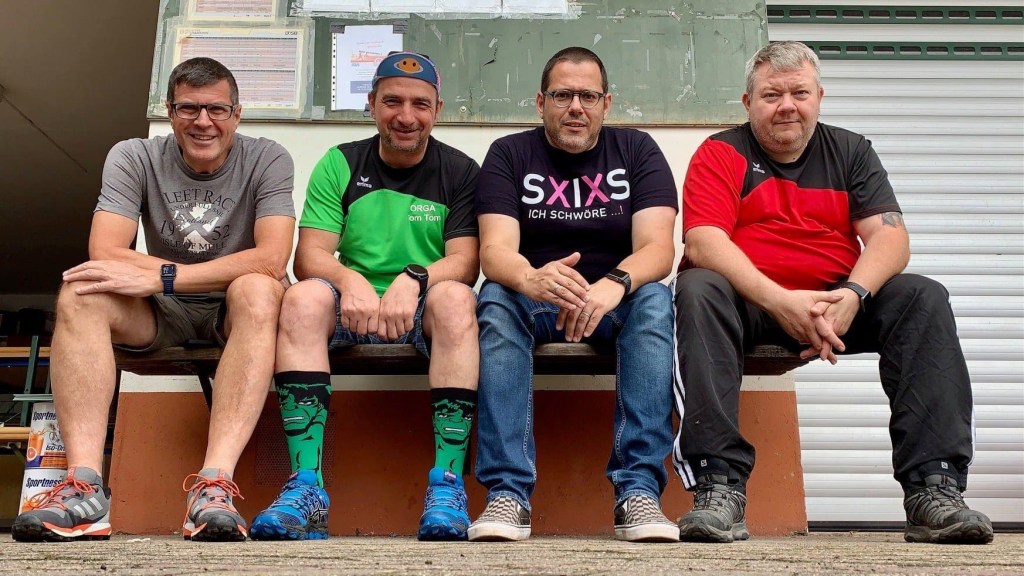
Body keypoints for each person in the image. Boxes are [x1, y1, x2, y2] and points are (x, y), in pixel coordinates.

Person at [672, 40, 994, 545]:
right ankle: (719, 487)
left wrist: (854, 295)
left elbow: (890, 238)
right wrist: (781, 300)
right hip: (750, 301)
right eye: (771, 95)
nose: (787, 105)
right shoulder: (721, 152)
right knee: (697, 286)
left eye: (799, 93)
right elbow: (703, 241)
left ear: (819, 96)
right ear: (748, 102)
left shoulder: (851, 151)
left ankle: (934, 489)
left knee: (923, 297)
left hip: (836, 301)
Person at [12, 57, 296, 542]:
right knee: (81, 290)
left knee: (259, 288)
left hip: (232, 308)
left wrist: (165, 276)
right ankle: (85, 488)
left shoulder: (268, 157)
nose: (203, 121)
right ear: (169, 111)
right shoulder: (134, 156)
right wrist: (169, 283)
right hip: (162, 311)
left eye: (216, 109)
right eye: (188, 108)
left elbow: (271, 259)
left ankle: (213, 488)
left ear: (237, 113)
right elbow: (105, 251)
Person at [249, 52, 481, 542]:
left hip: (419, 305)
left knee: (458, 300)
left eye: (420, 104)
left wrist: (414, 278)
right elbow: (310, 256)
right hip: (350, 306)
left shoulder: (460, 171)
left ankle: (447, 487)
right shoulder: (340, 162)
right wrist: (348, 280)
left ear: (438, 110)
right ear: (371, 104)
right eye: (392, 101)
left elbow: (464, 262)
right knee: (304, 299)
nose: (406, 116)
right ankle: (306, 486)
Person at [469, 47, 679, 543]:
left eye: (588, 96)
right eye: (563, 95)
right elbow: (494, 251)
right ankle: (507, 492)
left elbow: (658, 249)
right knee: (495, 298)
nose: (576, 108)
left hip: (615, 299)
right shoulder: (509, 153)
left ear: (607, 103)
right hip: (536, 295)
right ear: (541, 102)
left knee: (654, 300)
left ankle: (638, 491)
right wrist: (531, 279)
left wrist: (614, 284)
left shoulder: (637, 150)